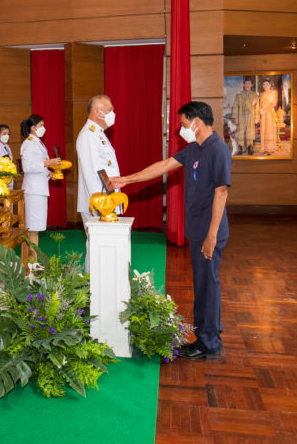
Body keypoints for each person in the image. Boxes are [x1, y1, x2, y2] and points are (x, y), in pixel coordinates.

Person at [111, 101, 230, 360]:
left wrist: (211, 236)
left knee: (207, 285)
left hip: (210, 230)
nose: (181, 129)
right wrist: (126, 180)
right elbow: (163, 166)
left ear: (196, 122)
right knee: (203, 284)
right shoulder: (194, 149)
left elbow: (221, 193)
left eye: (183, 123)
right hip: (197, 228)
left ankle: (209, 344)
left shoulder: (218, 149)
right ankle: (209, 333)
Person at [20, 115, 62, 256]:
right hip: (33, 191)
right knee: (33, 228)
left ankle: (34, 258)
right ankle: (32, 260)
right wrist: (47, 163)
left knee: (36, 227)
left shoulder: (37, 142)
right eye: (41, 125)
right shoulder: (29, 144)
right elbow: (27, 167)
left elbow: (39, 166)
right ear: (33, 128)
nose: (44, 128)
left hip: (39, 189)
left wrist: (50, 174)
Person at [76, 95, 120, 221]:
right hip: (99, 202)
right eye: (110, 110)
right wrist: (101, 204)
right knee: (100, 234)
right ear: (97, 112)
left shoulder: (98, 133)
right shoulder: (88, 135)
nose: (113, 114)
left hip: (106, 197)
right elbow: (90, 173)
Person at [231, 77, 259, 156]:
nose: (247, 85)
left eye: (249, 83)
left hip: (251, 116)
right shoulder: (239, 95)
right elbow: (235, 107)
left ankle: (250, 147)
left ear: (251, 85)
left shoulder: (255, 95)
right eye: (246, 83)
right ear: (243, 85)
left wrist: (257, 117)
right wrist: (235, 117)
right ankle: (241, 148)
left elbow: (257, 107)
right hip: (241, 115)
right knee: (241, 132)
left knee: (250, 132)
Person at [259, 79, 278, 154]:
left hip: (270, 113)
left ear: (270, 85)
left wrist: (265, 110)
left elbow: (274, 103)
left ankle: (270, 149)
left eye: (267, 84)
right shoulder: (262, 94)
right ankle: (264, 148)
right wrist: (261, 110)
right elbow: (260, 103)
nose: (265, 85)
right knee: (263, 129)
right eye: (264, 84)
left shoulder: (274, 92)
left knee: (269, 130)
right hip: (263, 114)